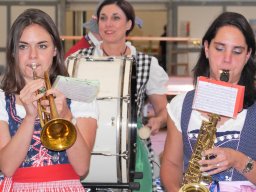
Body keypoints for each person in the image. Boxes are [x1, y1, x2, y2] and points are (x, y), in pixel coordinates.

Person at [66, 0, 168, 191]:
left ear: (129, 24)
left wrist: (158, 120)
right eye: (103, 18)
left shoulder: (146, 63)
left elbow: (163, 110)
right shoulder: (78, 59)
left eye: (116, 18)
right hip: (85, 140)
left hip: (132, 146)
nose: (108, 24)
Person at [0, 8, 98, 191]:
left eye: (42, 46)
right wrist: (29, 118)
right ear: (13, 53)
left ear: (55, 50)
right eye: (23, 46)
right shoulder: (2, 100)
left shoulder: (78, 95)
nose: (33, 56)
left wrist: (66, 116)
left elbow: (82, 167)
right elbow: (7, 167)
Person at [160, 11, 256, 192]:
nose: (227, 60)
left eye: (237, 51)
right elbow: (171, 164)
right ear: (206, 48)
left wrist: (237, 159)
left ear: (247, 55)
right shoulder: (180, 105)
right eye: (219, 48)